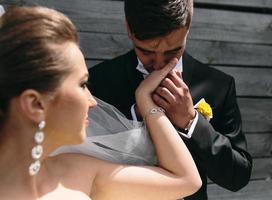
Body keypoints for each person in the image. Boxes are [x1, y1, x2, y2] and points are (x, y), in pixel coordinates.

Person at [0, 6, 202, 199]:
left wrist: (146, 101)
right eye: (82, 85)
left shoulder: (76, 171)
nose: (92, 101)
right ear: (36, 104)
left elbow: (186, 180)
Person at [89, 0, 252, 199]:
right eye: (146, 51)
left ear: (188, 26)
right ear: (128, 28)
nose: (158, 64)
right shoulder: (98, 80)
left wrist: (191, 122)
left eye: (173, 52)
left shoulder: (218, 85)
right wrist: (138, 116)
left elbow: (238, 177)